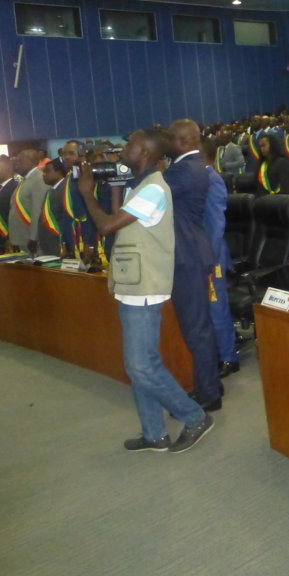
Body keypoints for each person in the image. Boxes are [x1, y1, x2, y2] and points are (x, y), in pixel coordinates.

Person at [77, 129, 214, 453]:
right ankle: (154, 433)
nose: (124, 148)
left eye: (130, 144)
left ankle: (195, 417)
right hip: (132, 282)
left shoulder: (154, 188)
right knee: (137, 364)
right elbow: (118, 224)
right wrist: (114, 189)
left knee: (142, 364)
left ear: (146, 152)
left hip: (145, 285)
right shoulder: (140, 186)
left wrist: (87, 193)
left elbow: (106, 226)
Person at [163, 119, 223, 410]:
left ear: (183, 140)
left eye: (169, 138)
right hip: (191, 252)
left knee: (196, 328)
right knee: (199, 326)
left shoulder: (184, 170)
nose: (166, 144)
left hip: (187, 256)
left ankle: (209, 394)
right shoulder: (191, 165)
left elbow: (149, 196)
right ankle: (211, 384)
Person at [200, 137, 239, 377]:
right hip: (198, 253)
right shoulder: (196, 178)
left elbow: (215, 225)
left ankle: (228, 357)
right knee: (205, 309)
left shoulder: (211, 179)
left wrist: (209, 258)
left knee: (217, 308)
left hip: (211, 255)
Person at [9, 149, 49, 254]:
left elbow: (37, 211)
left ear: (31, 161)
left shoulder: (39, 179)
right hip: (22, 236)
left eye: (20, 161)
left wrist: (33, 238)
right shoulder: (26, 179)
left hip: (31, 239)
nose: (17, 164)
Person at [37, 159, 69, 257]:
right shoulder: (50, 191)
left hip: (60, 244)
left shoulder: (66, 189)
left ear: (58, 171)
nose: (44, 175)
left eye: (47, 171)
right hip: (48, 243)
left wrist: (65, 243)